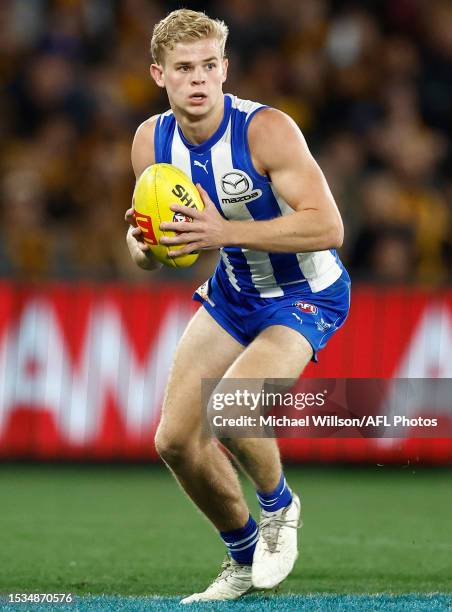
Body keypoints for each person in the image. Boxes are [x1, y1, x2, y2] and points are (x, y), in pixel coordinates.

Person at [125, 9, 350, 603]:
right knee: (174, 440)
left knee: (234, 408)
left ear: (225, 69)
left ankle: (280, 507)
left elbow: (328, 227)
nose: (197, 80)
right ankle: (244, 556)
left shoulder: (265, 131)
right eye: (182, 69)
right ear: (159, 75)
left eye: (207, 66)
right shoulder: (152, 141)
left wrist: (221, 232)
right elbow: (154, 255)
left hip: (305, 293)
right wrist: (145, 243)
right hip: (234, 291)